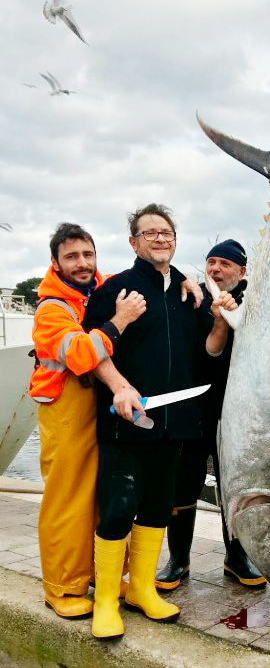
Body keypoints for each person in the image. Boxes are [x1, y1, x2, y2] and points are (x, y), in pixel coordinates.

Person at [83, 204, 236, 640]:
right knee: (117, 511)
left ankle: (143, 589)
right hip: (126, 421)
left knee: (156, 509)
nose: (160, 238)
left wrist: (220, 324)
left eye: (166, 231)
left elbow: (206, 352)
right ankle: (108, 600)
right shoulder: (115, 289)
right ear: (133, 242)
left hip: (177, 422)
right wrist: (119, 388)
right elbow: (94, 352)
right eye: (149, 232)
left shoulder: (188, 294)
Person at [29, 222, 146, 619]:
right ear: (56, 262)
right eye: (72, 257)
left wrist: (191, 285)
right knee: (69, 497)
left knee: (103, 493)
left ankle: (105, 573)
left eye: (88, 254)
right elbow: (81, 353)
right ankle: (62, 587)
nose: (82, 264)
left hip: (95, 406)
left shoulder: (100, 287)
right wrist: (121, 320)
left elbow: (143, 277)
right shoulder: (51, 309)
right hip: (65, 408)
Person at [156, 239, 267, 591]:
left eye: (225, 264)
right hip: (193, 406)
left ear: (241, 271)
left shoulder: (257, 302)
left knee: (238, 484)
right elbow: (202, 353)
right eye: (211, 262)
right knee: (183, 482)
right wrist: (219, 319)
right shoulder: (193, 297)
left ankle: (237, 558)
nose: (216, 269)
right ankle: (178, 559)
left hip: (241, 412)